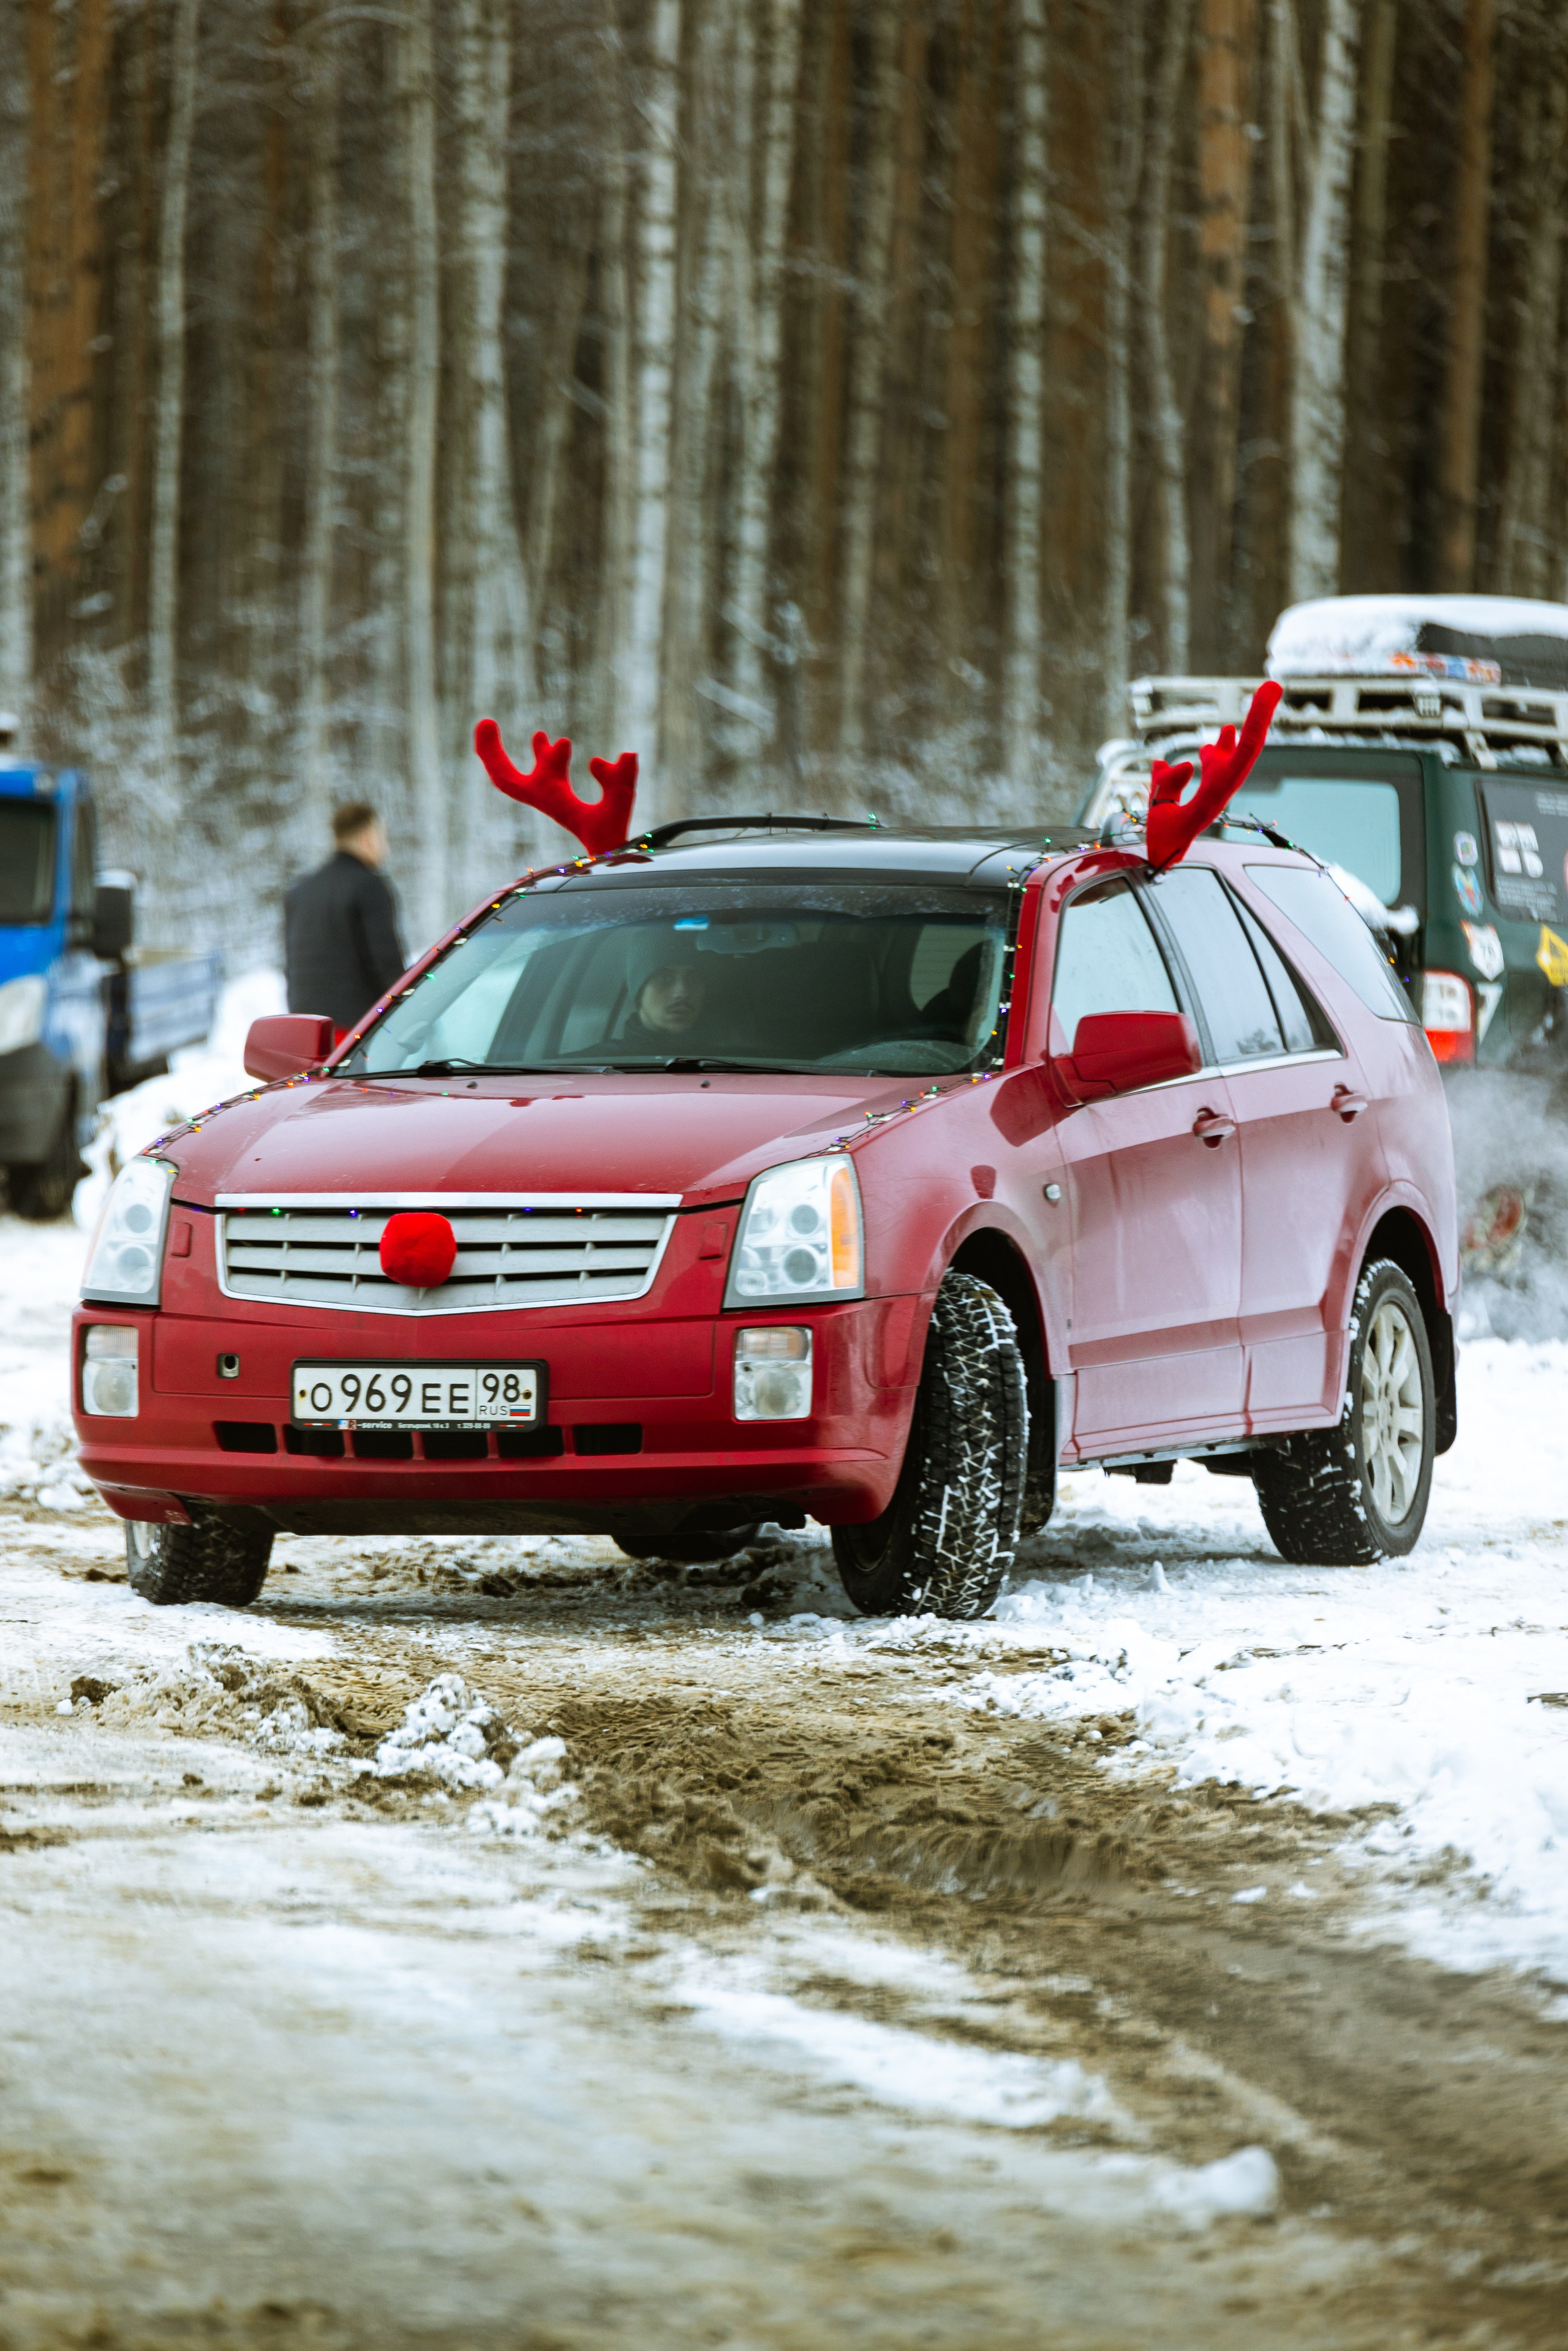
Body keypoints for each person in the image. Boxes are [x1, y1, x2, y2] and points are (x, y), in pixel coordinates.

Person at [284, 802, 407, 1038]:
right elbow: (386, 964)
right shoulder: (368, 885)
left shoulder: (300, 890)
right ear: (368, 838)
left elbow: (292, 966)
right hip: (356, 1034)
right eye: (383, 837)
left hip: (306, 1033)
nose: (386, 847)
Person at [614, 938, 711, 1051]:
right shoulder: (598, 1064)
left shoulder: (730, 1057)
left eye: (693, 978)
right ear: (639, 991)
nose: (683, 993)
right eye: (665, 978)